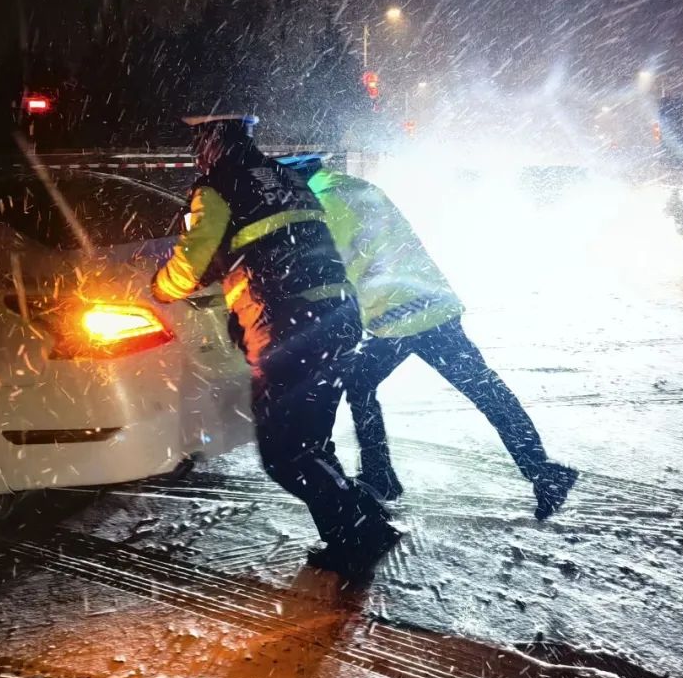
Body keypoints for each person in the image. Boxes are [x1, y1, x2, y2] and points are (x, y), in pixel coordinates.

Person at [151, 116, 399, 574]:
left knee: (285, 455)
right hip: (336, 317)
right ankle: (361, 531)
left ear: (213, 139)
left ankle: (361, 534)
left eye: (198, 140)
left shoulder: (218, 186)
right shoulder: (285, 176)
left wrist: (161, 287)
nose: (195, 150)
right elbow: (273, 239)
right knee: (313, 444)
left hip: (289, 327)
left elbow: (192, 260)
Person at [305, 165, 577, 520]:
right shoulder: (354, 187)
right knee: (485, 390)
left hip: (399, 315)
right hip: (429, 302)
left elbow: (327, 264)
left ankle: (380, 477)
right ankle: (543, 472)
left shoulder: (326, 203)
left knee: (361, 384)